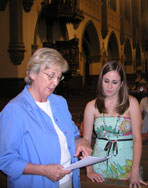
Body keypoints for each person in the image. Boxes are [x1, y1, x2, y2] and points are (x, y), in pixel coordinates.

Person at [0, 48, 91, 188]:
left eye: (59, 77)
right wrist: (43, 170)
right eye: (51, 75)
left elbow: (73, 135)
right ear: (32, 73)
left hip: (69, 181)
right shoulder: (15, 110)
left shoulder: (60, 102)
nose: (55, 83)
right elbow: (5, 160)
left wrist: (82, 142)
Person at [83, 61, 146, 188]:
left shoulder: (132, 104)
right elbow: (86, 140)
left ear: (122, 83)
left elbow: (137, 139)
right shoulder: (91, 106)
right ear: (101, 80)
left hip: (127, 163)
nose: (109, 86)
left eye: (114, 82)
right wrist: (89, 169)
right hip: (98, 165)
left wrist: (135, 170)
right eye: (106, 81)